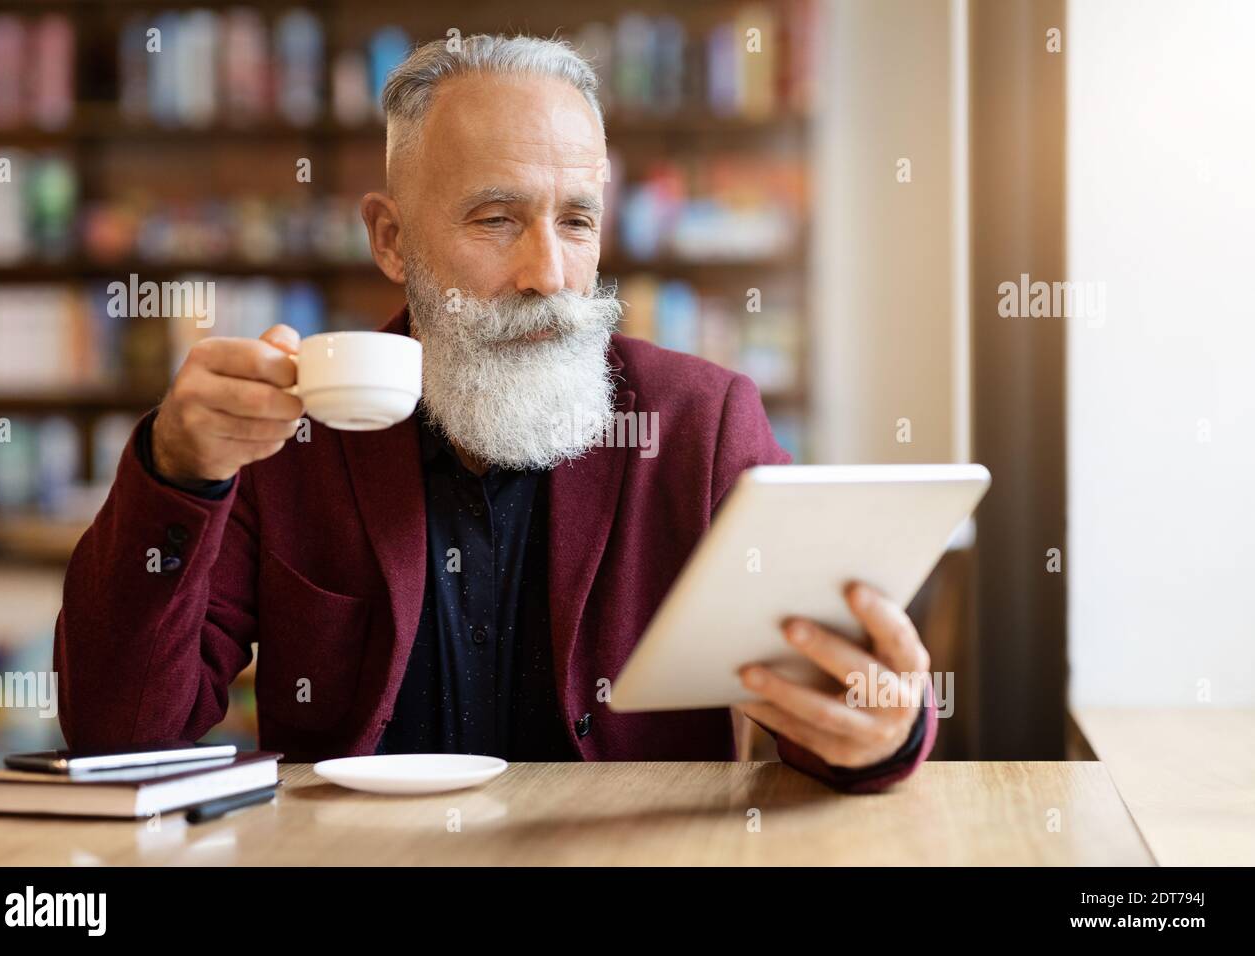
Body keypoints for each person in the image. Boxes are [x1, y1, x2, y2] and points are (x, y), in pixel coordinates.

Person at [55, 34, 935, 793]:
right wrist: (176, 471)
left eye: (577, 221)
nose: (547, 274)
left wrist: (881, 732)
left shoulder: (700, 424)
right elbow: (121, 734)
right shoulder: (286, 429)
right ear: (392, 240)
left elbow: (843, 694)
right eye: (496, 218)